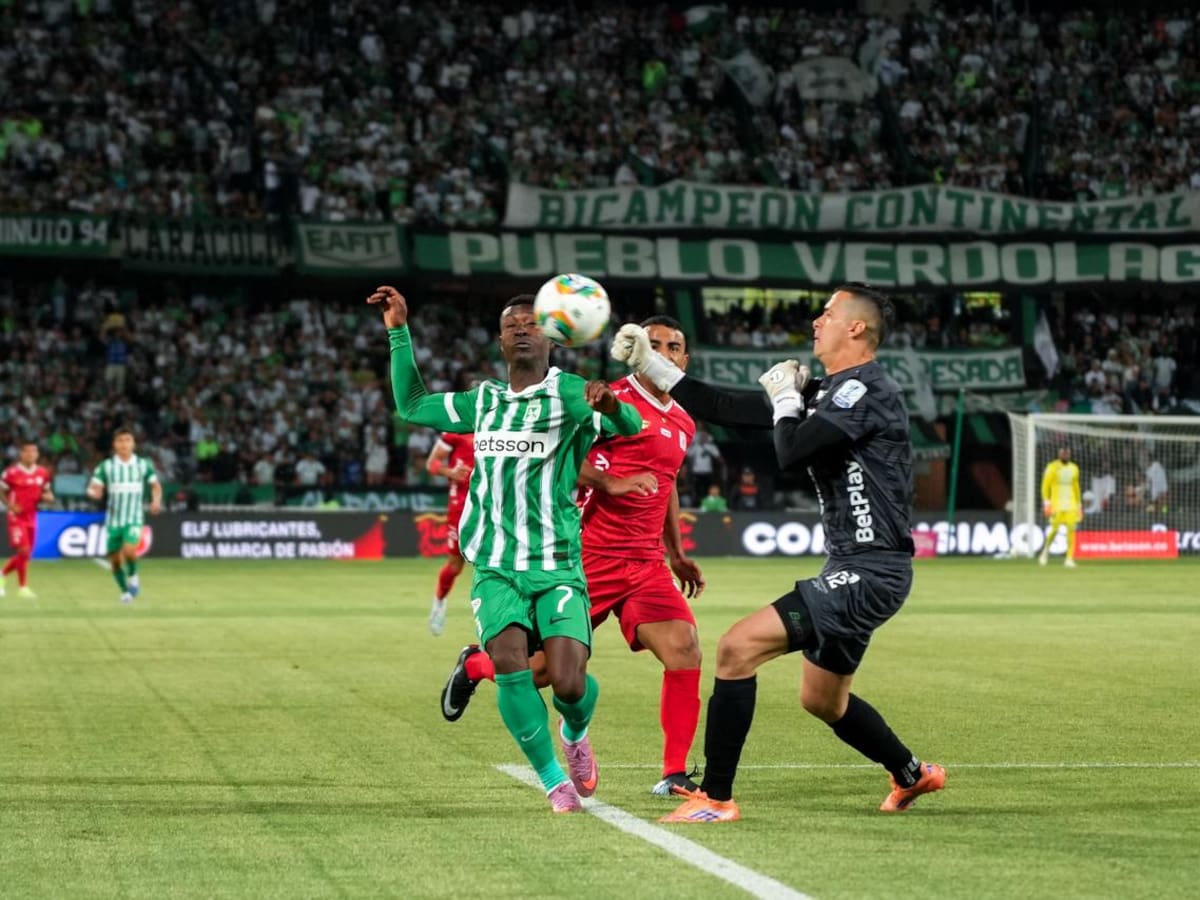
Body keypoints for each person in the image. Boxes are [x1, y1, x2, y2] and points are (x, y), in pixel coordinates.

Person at [611, 283, 946, 822]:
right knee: (823, 701)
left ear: (855, 328)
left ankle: (715, 798)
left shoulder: (866, 390)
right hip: (851, 569)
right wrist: (652, 363)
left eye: (828, 313)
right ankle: (912, 774)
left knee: (736, 649)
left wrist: (787, 401)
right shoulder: (829, 389)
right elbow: (726, 407)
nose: (817, 321)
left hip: (871, 570)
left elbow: (791, 450)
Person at [369, 285, 643, 814]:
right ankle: (552, 782)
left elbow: (625, 427)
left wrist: (611, 404)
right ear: (500, 341)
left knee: (568, 684)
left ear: (553, 335)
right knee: (510, 663)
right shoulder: (485, 401)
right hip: (495, 566)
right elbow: (412, 405)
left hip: (557, 565)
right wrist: (399, 329)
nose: (522, 328)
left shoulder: (571, 394)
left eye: (531, 322)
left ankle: (575, 732)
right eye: (512, 324)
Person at [440, 317, 708, 797]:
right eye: (655, 344)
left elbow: (665, 484)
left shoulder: (683, 420)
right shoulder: (605, 399)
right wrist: (608, 481)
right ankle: (477, 664)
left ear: (684, 361)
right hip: (585, 556)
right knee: (546, 675)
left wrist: (677, 551)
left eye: (675, 346)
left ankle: (673, 773)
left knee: (684, 648)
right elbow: (550, 453)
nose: (665, 353)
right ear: (636, 351)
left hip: (645, 564)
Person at [87, 428, 163, 604]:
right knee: (114, 562)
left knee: (129, 550)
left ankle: (134, 576)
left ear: (133, 444)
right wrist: (93, 493)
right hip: (113, 520)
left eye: (127, 440)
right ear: (115, 445)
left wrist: (156, 501)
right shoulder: (106, 466)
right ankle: (125, 592)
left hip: (134, 517)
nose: (124, 444)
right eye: (120, 441)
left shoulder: (143, 464)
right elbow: (93, 487)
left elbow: (155, 486)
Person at [425, 431, 475, 636]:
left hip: (491, 504)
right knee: (455, 565)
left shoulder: (498, 417)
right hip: (460, 506)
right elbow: (432, 464)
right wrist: (451, 472)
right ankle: (439, 602)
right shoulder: (455, 429)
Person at [1, 441, 54, 599]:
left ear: (37, 454)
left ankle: (2, 574)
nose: (31, 454)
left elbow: (48, 493)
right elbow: (1, 489)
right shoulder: (11, 473)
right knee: (23, 550)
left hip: (32, 517)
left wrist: (48, 497)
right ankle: (23, 587)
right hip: (16, 517)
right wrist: (9, 505)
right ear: (21, 454)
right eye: (27, 451)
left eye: (34, 451)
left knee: (26, 555)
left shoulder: (43, 473)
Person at [1039, 446, 1082, 567]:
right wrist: (1046, 502)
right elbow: (1045, 485)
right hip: (1056, 505)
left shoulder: (1074, 468)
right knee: (1055, 530)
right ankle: (1045, 552)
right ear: (1059, 454)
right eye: (1063, 453)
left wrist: (1079, 504)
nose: (1065, 455)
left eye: (1067, 453)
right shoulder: (1052, 467)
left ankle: (1069, 558)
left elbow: (1076, 487)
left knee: (1071, 530)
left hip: (1071, 505)